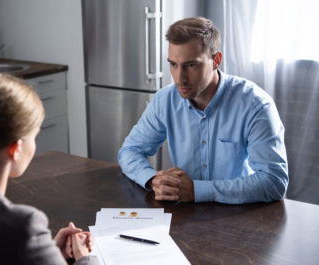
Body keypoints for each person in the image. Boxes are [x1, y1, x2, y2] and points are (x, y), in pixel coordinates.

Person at [118, 17, 288, 204]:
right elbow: (130, 151)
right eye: (173, 64)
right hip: (183, 216)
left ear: (216, 60)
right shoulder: (165, 100)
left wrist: (198, 191)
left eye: (191, 65)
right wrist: (152, 180)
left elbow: (274, 181)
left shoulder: (256, 105)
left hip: (240, 214)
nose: (179, 78)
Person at [0, 72, 99, 265]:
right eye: (34, 136)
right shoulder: (22, 227)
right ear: (16, 148)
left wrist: (45, 252)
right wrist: (85, 259)